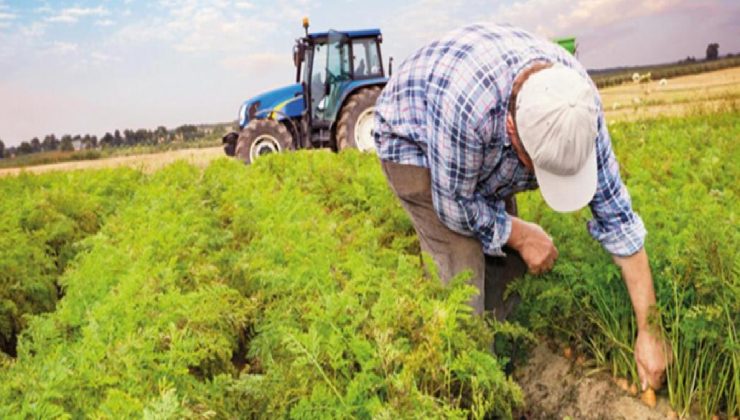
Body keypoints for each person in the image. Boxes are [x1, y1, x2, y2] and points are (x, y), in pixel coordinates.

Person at [373, 23, 670, 391]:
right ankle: (464, 387)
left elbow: (618, 220)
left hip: (477, 143)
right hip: (415, 143)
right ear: (513, 131)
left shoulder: (576, 106)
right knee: (463, 278)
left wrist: (650, 330)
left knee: (507, 266)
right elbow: (454, 207)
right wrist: (519, 231)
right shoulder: (468, 111)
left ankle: (502, 369)